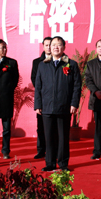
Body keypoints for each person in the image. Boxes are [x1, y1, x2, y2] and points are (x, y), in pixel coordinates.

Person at [34, 36, 81, 172]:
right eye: (53, 44)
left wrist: (74, 104)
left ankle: (63, 163)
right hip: (47, 106)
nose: (55, 47)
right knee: (48, 137)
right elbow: (38, 86)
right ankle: (50, 163)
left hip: (64, 106)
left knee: (63, 137)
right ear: (49, 47)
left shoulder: (71, 64)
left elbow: (77, 86)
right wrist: (38, 105)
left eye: (59, 45)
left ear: (64, 47)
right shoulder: (43, 65)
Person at [0, 39, 19, 160]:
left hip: (6, 99)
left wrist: (7, 90)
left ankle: (5, 151)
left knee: (6, 128)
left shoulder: (12, 62)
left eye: (5, 47)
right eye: (2, 47)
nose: (4, 50)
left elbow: (15, 80)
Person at [31, 37, 52, 159]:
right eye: (46, 45)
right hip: (42, 97)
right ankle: (41, 150)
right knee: (41, 126)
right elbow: (34, 79)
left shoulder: (60, 60)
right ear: (43, 46)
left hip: (54, 98)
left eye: (50, 45)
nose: (48, 47)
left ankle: (52, 150)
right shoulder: (37, 62)